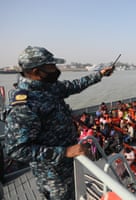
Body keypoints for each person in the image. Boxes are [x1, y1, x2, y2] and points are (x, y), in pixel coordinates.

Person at [4, 46, 115, 199]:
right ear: (36, 71)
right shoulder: (25, 104)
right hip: (53, 175)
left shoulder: (47, 87)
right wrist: (65, 151)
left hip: (67, 167)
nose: (56, 69)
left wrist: (100, 75)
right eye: (51, 66)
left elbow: (73, 86)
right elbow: (16, 149)